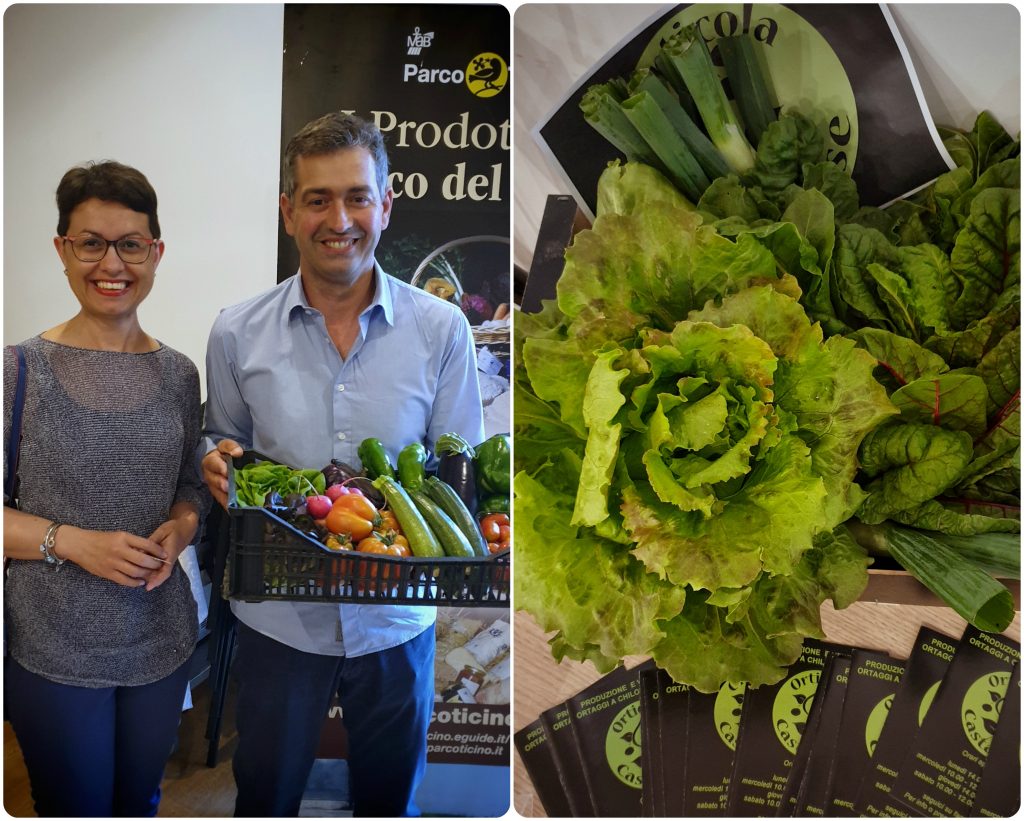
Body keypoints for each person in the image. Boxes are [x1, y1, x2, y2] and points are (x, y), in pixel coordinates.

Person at [201, 111, 485, 817]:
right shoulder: (237, 330)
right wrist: (214, 460)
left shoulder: (441, 328)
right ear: (289, 211)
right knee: (264, 795)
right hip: (281, 620)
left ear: (386, 205)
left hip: (397, 619)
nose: (340, 218)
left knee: (390, 800)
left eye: (358, 196)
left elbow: (460, 466)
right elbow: (220, 436)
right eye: (318, 198)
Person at [2, 161, 207, 817]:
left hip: (160, 639)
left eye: (130, 244)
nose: (111, 262)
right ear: (62, 249)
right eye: (91, 242)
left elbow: (187, 488)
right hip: (52, 647)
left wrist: (182, 527)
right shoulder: (20, 369)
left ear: (156, 252)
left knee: (140, 799)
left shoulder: (179, 372)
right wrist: (74, 543)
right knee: (74, 803)